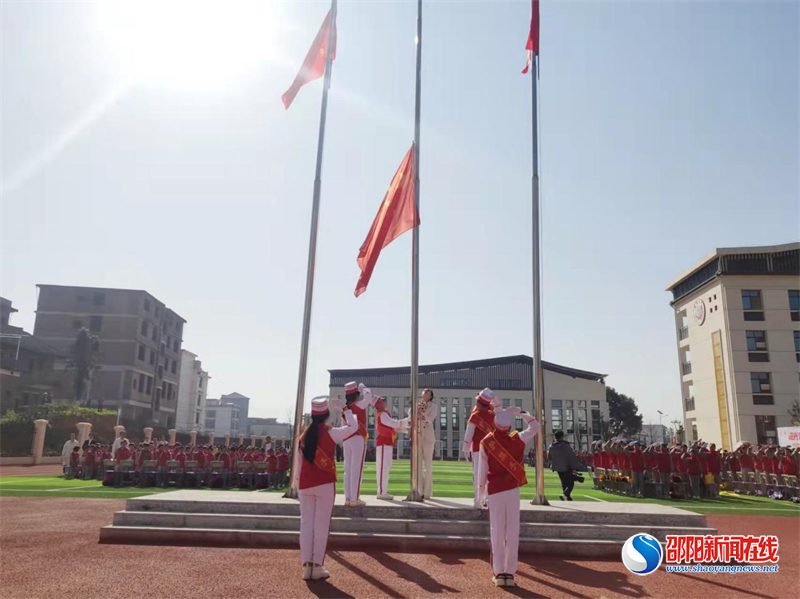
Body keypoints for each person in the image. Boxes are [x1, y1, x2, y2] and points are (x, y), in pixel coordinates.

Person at [296, 396, 358, 581]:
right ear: (326, 415)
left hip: (305, 484)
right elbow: (353, 428)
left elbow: (299, 467)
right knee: (321, 525)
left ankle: (307, 567)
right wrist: (346, 410)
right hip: (325, 483)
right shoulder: (331, 433)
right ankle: (317, 566)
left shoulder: (303, 436)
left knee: (306, 524)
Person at [477, 409, 540, 587]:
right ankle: (510, 573)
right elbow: (535, 427)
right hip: (512, 490)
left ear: (494, 424)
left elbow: (482, 471)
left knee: (497, 530)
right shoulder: (518, 439)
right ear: (509, 425)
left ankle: (499, 573)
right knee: (512, 531)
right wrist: (522, 413)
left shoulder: (486, 442)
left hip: (495, 491)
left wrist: (480, 495)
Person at [342, 381, 376, 507]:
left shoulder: (345, 409)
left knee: (348, 469)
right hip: (357, 438)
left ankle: (348, 497)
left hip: (346, 438)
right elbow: (369, 397)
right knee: (357, 469)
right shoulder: (359, 405)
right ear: (356, 394)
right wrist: (364, 387)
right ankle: (354, 499)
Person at [463, 388, 498, 508]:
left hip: (478, 450)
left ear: (478, 403)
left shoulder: (475, 416)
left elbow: (468, 434)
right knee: (489, 476)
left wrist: (465, 449)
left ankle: (478, 500)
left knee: (478, 476)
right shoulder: (493, 415)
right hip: (491, 450)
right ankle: (488, 499)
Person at [373, 395, 409, 500]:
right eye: (383, 401)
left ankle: (382, 491)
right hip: (384, 443)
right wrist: (407, 420)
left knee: (385, 467)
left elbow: (393, 427)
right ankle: (381, 492)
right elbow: (393, 423)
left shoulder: (383, 414)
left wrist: (405, 427)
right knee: (383, 468)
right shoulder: (382, 414)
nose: (385, 402)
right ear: (379, 404)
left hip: (386, 443)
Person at [547, 430, 582, 501]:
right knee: (570, 483)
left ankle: (566, 496)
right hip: (566, 466)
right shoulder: (566, 446)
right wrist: (574, 467)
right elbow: (571, 456)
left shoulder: (552, 446)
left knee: (563, 481)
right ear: (562, 436)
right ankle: (566, 494)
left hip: (558, 467)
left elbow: (549, 457)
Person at [417, 388, 438, 499]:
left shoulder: (433, 407)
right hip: (418, 436)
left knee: (428, 464)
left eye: (427, 393)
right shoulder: (417, 405)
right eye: (424, 392)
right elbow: (411, 416)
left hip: (428, 436)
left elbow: (430, 419)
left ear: (430, 396)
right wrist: (417, 410)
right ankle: (419, 491)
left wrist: (423, 413)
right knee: (418, 465)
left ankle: (428, 492)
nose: (425, 394)